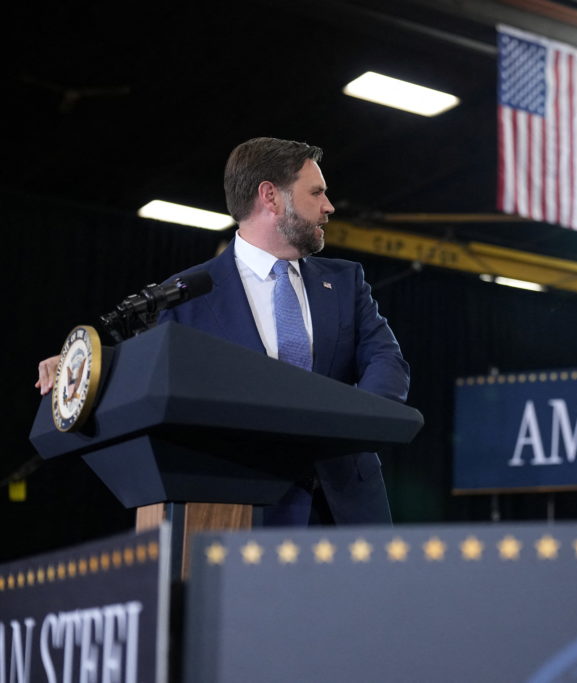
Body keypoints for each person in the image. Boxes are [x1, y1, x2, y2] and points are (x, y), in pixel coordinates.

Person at [37, 137, 410, 526]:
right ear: (271, 196)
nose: (328, 206)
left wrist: (352, 427)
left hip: (348, 509)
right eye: (316, 192)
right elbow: (148, 379)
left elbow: (387, 361)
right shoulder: (184, 294)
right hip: (243, 511)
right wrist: (81, 368)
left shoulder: (346, 281)